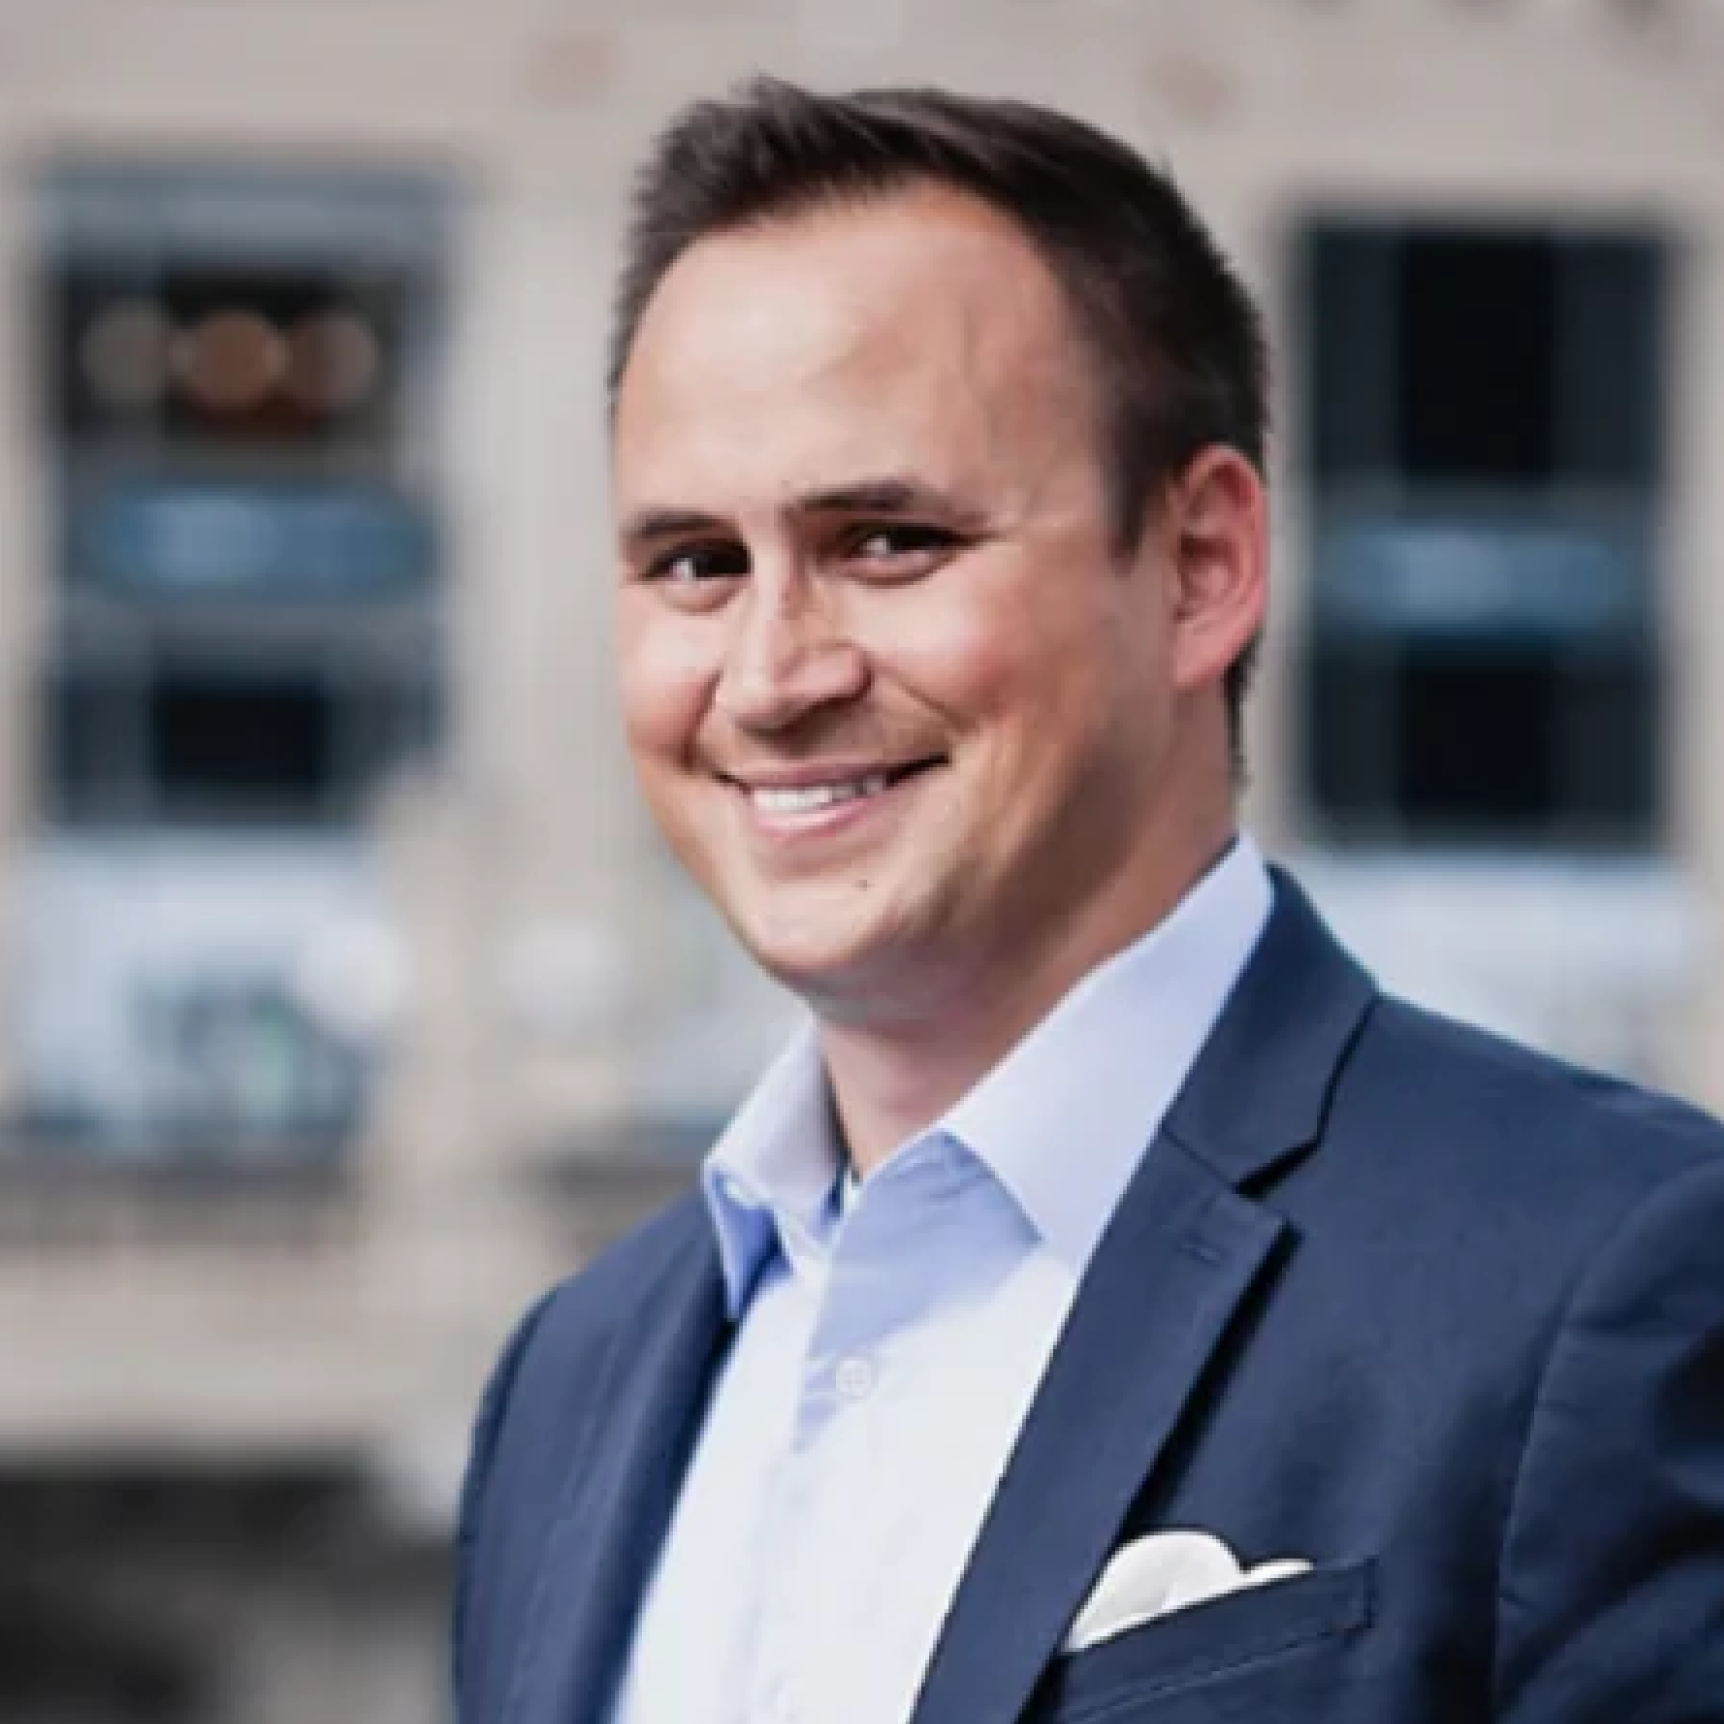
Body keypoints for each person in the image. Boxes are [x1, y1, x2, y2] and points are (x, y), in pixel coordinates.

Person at [452, 77, 1724, 1724]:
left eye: (888, 540)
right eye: (696, 562)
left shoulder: (1607, 1273)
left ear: (1200, 563)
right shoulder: (569, 1379)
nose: (769, 675)